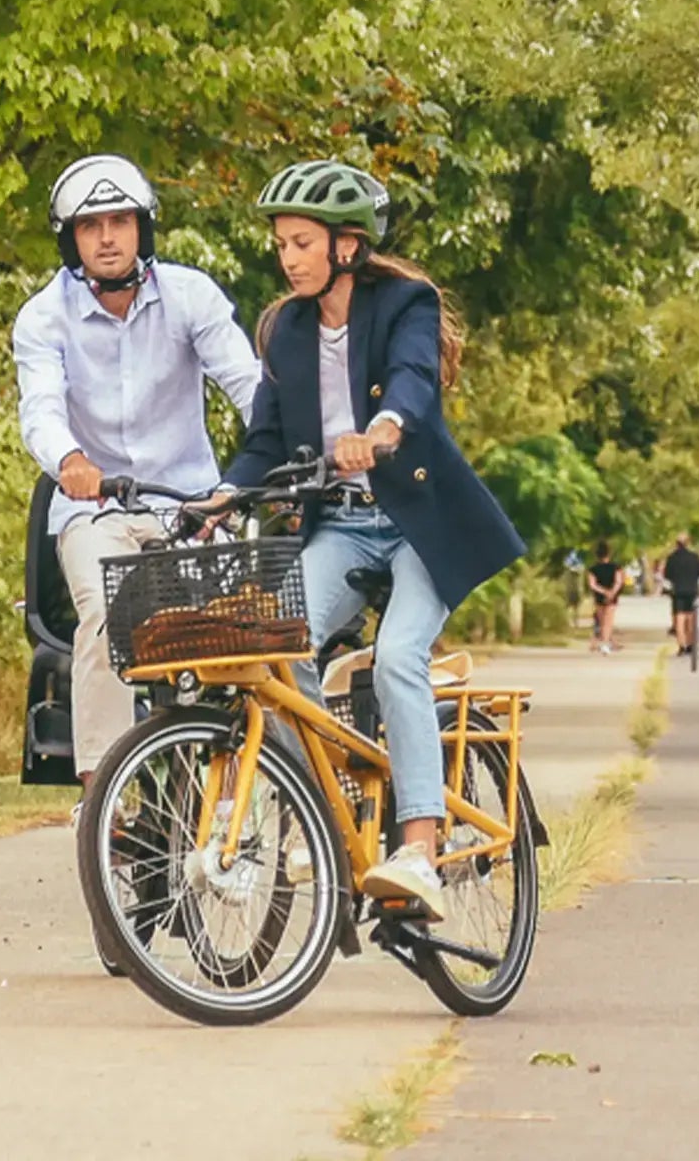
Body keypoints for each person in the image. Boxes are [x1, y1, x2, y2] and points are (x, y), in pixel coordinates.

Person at [218, 159, 525, 918]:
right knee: (277, 651)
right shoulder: (286, 330)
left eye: (301, 242)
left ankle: (419, 845)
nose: (287, 258)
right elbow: (262, 439)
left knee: (396, 659)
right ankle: (327, 804)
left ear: (346, 247)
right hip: (344, 528)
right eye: (281, 244)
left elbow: (415, 377)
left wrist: (383, 429)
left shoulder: (403, 303)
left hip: (421, 525)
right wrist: (221, 496)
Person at [13, 155, 265, 779]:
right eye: (90, 225)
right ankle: (104, 794)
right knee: (105, 610)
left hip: (195, 509)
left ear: (142, 228)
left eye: (120, 221)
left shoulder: (191, 296)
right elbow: (40, 409)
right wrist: (70, 459)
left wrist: (264, 465)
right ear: (69, 238)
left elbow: (249, 384)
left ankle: (234, 794)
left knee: (238, 634)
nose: (106, 237)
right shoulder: (43, 317)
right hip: (96, 512)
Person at [660, 532, 699, 664]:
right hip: (692, 590)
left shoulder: (671, 558)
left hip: (677, 591)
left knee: (679, 618)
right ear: (688, 543)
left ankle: (682, 645)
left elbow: (667, 577)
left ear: (676, 544)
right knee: (691, 618)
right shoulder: (695, 557)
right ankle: (691, 644)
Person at [586, 545, 626, 654]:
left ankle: (605, 643)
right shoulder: (616, 567)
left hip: (599, 597)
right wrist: (611, 592)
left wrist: (603, 591)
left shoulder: (593, 569)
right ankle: (605, 644)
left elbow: (592, 584)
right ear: (609, 554)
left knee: (602, 621)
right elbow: (619, 581)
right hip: (612, 597)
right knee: (608, 621)